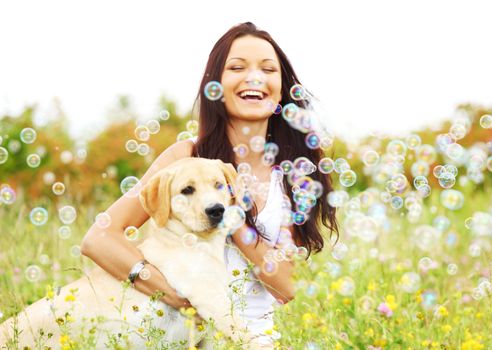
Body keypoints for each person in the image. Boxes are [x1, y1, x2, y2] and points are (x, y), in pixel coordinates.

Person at [81, 21, 338, 347]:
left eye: (268, 69)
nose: (255, 77)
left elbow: (286, 287)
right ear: (215, 84)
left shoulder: (293, 173)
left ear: (281, 90)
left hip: (250, 339)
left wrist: (230, 215)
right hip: (177, 336)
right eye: (237, 67)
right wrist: (176, 296)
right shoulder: (186, 158)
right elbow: (99, 238)